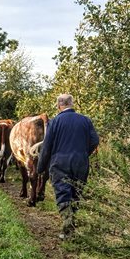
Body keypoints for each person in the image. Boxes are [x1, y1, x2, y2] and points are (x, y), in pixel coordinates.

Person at [37, 94, 99, 239]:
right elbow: (95, 140)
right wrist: (84, 153)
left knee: (63, 193)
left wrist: (41, 167)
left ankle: (68, 228)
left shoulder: (55, 122)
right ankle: (72, 222)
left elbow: (47, 147)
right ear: (72, 104)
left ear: (59, 106)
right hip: (81, 163)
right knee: (76, 192)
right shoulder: (85, 120)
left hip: (60, 163)